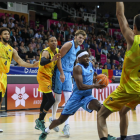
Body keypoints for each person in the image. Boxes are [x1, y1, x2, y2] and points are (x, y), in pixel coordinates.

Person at [38, 50, 115, 140]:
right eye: (85, 57)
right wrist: (95, 85)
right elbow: (80, 86)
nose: (87, 58)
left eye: (88, 56)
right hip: (76, 98)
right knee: (60, 120)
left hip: (87, 97)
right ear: (78, 59)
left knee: (100, 108)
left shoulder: (90, 64)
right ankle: (46, 131)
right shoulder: (77, 68)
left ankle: (104, 135)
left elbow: (93, 74)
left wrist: (98, 79)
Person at [97, 2, 140, 140]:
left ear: (134, 28)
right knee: (123, 111)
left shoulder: (133, 39)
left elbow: (120, 15)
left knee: (101, 115)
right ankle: (123, 138)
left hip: (128, 89)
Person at [0, 27, 39, 132]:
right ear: (0, 36)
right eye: (5, 34)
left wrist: (33, 65)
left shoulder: (11, 50)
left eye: (8, 34)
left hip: (3, 77)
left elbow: (21, 62)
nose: (7, 36)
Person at [50, 30, 87, 137]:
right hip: (59, 72)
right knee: (57, 99)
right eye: (80, 37)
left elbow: (75, 62)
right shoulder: (68, 44)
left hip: (68, 74)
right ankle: (53, 118)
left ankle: (66, 126)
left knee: (68, 100)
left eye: (83, 39)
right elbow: (58, 58)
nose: (81, 40)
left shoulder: (79, 48)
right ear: (75, 37)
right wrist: (61, 73)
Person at [34, 36, 65, 135]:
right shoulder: (46, 51)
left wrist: (62, 73)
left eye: (55, 40)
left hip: (49, 77)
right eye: (51, 41)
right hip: (43, 76)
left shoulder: (57, 51)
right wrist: (51, 60)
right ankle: (40, 120)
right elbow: (42, 62)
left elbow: (59, 63)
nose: (54, 42)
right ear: (48, 43)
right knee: (51, 100)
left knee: (45, 100)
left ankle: (40, 122)